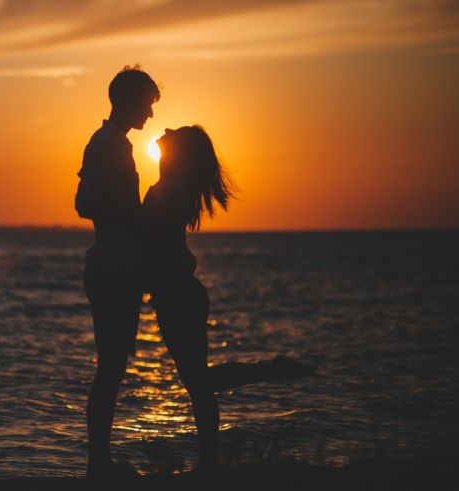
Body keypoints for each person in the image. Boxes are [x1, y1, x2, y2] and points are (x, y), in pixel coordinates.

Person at [143, 126, 315, 473]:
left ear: (179, 152)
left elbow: (152, 240)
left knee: (199, 383)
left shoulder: (171, 190)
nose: (166, 129)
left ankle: (269, 371)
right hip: (176, 294)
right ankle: (209, 463)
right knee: (199, 384)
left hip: (178, 295)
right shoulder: (170, 186)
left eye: (174, 132)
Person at [75, 65, 159, 480]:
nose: (150, 113)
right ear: (126, 101)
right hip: (111, 268)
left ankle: (101, 464)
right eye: (146, 104)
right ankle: (99, 466)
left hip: (119, 267)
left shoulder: (116, 144)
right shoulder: (107, 144)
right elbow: (84, 202)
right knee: (109, 368)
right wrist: (133, 216)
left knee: (112, 367)